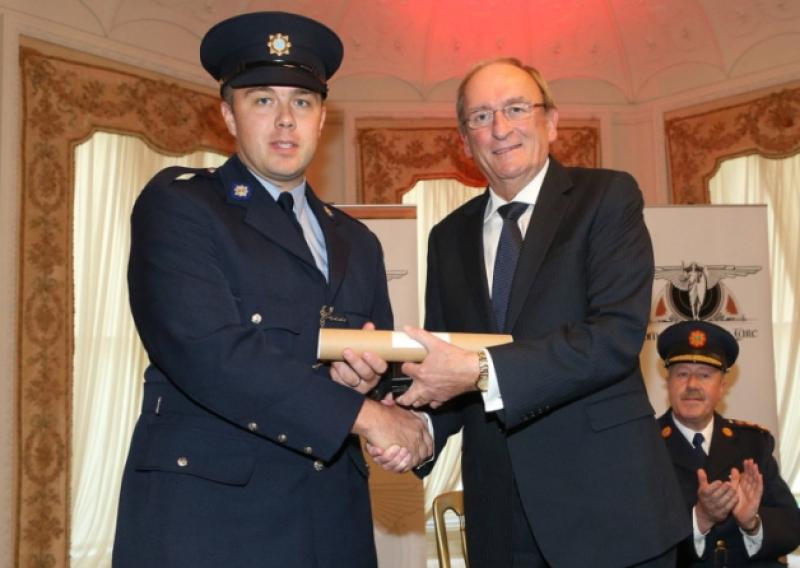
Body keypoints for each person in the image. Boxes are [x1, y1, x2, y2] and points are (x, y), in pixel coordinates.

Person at [112, 11, 430, 567]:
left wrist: (413, 422)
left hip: (332, 524)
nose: (286, 120)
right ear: (228, 115)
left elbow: (386, 370)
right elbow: (209, 350)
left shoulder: (358, 241)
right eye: (263, 100)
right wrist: (364, 416)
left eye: (302, 103)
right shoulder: (182, 205)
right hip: (211, 527)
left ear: (323, 117)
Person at [374, 58, 689, 567]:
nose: (499, 128)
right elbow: (446, 369)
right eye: (480, 116)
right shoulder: (447, 238)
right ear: (463, 139)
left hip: (608, 510)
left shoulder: (607, 197)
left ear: (551, 121)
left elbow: (614, 336)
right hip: (500, 516)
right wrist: (417, 431)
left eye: (516, 108)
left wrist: (480, 370)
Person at [657, 320, 800, 567]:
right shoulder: (644, 444)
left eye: (704, 375)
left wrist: (752, 523)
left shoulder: (753, 443)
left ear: (722, 386)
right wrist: (699, 520)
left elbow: (792, 525)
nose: (692, 385)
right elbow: (629, 535)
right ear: (668, 382)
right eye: (682, 374)